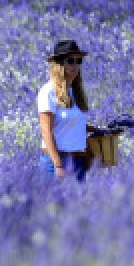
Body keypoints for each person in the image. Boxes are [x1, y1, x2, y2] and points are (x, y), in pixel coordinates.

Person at [38, 39, 96, 181]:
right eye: (70, 61)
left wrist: (94, 129)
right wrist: (58, 165)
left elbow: (69, 123)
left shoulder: (76, 93)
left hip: (78, 161)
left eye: (79, 61)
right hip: (56, 161)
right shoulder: (48, 91)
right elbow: (46, 131)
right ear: (59, 64)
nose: (75, 65)